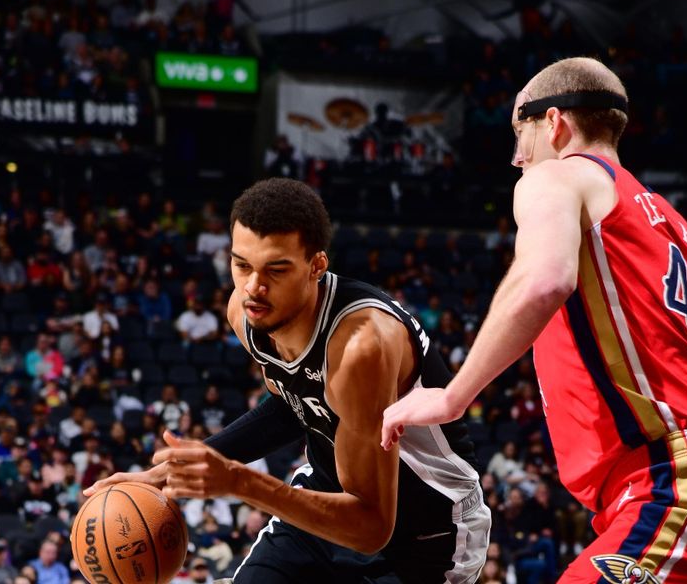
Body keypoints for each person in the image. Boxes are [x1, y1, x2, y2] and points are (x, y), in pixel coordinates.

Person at [381, 57, 687, 582]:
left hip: (668, 485)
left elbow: (547, 278)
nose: (516, 158)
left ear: (553, 122)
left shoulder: (556, 176)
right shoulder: (675, 226)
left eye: (519, 134)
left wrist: (450, 396)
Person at [86, 178, 490, 583]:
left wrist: (238, 480)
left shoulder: (359, 348)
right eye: (241, 264)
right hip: (326, 503)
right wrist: (171, 471)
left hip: (425, 531)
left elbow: (371, 528)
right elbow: (294, 406)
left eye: (275, 270)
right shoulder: (247, 314)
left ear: (316, 266)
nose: (253, 288)